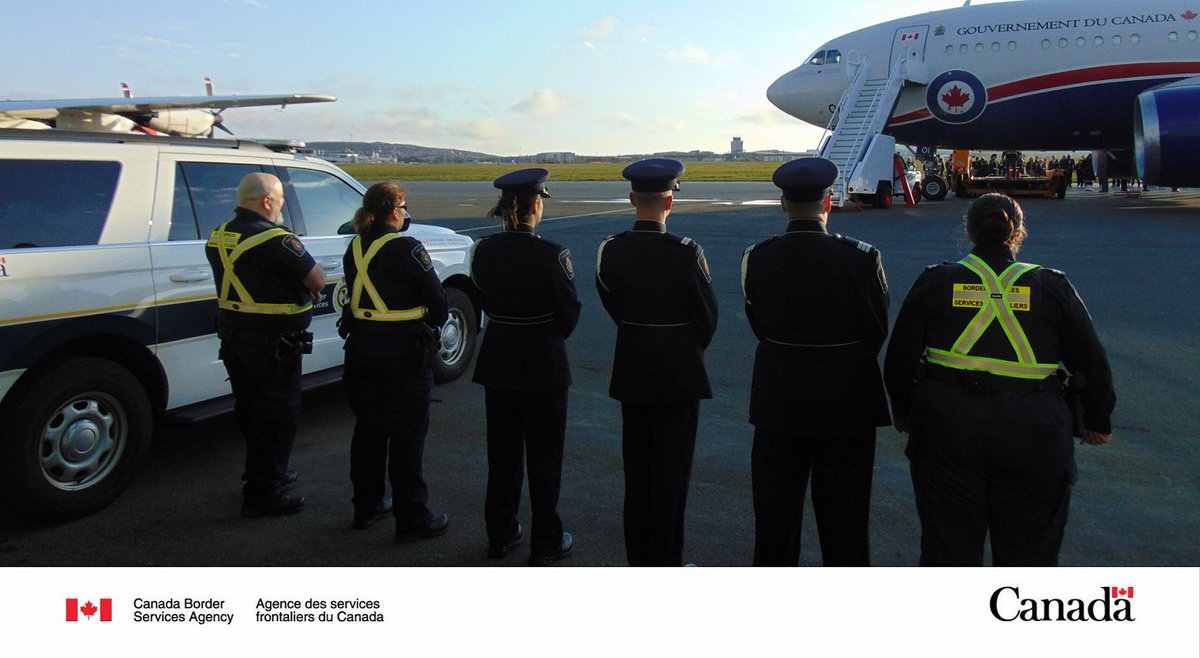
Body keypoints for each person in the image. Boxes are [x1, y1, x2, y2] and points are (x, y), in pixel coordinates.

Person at [884, 193, 1116, 566]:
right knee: (1030, 553)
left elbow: (898, 360)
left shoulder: (936, 281)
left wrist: (905, 412)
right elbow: (1092, 360)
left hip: (947, 428)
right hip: (1035, 431)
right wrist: (1098, 419)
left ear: (969, 231)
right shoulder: (1051, 286)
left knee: (948, 549)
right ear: (1017, 232)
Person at [741, 157, 891, 567]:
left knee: (775, 520)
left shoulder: (758, 257)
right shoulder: (861, 258)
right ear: (828, 203)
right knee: (845, 522)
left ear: (783, 204)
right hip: (846, 401)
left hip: (779, 399)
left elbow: (759, 323)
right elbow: (876, 329)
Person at [596, 158, 718, 566]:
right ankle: (668, 561)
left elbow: (612, 302)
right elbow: (707, 319)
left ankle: (640, 560)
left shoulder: (611, 250)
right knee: (671, 478)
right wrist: (679, 345)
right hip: (678, 376)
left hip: (633, 371)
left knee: (639, 475)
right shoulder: (686, 253)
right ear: (670, 202)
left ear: (633, 199)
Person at [470, 168, 580, 567]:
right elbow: (569, 313)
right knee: (544, 458)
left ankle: (500, 534)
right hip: (542, 365)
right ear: (536, 205)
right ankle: (545, 540)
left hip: (499, 360)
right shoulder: (552, 254)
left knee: (502, 456)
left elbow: (482, 297)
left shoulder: (483, 250)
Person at [205, 173, 325, 517]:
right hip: (273, 345)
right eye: (282, 199)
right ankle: (263, 494)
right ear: (267, 201)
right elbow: (317, 278)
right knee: (278, 416)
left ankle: (265, 474)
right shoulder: (276, 239)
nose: (283, 205)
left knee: (252, 413)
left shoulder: (220, 235)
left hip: (235, 339)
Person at [339, 182, 450, 542]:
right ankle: (412, 515)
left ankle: (366, 507)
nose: (406, 213)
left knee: (368, 432)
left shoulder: (354, 247)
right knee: (407, 438)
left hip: (361, 351)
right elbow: (438, 301)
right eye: (403, 207)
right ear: (393, 210)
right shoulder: (407, 247)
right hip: (402, 354)